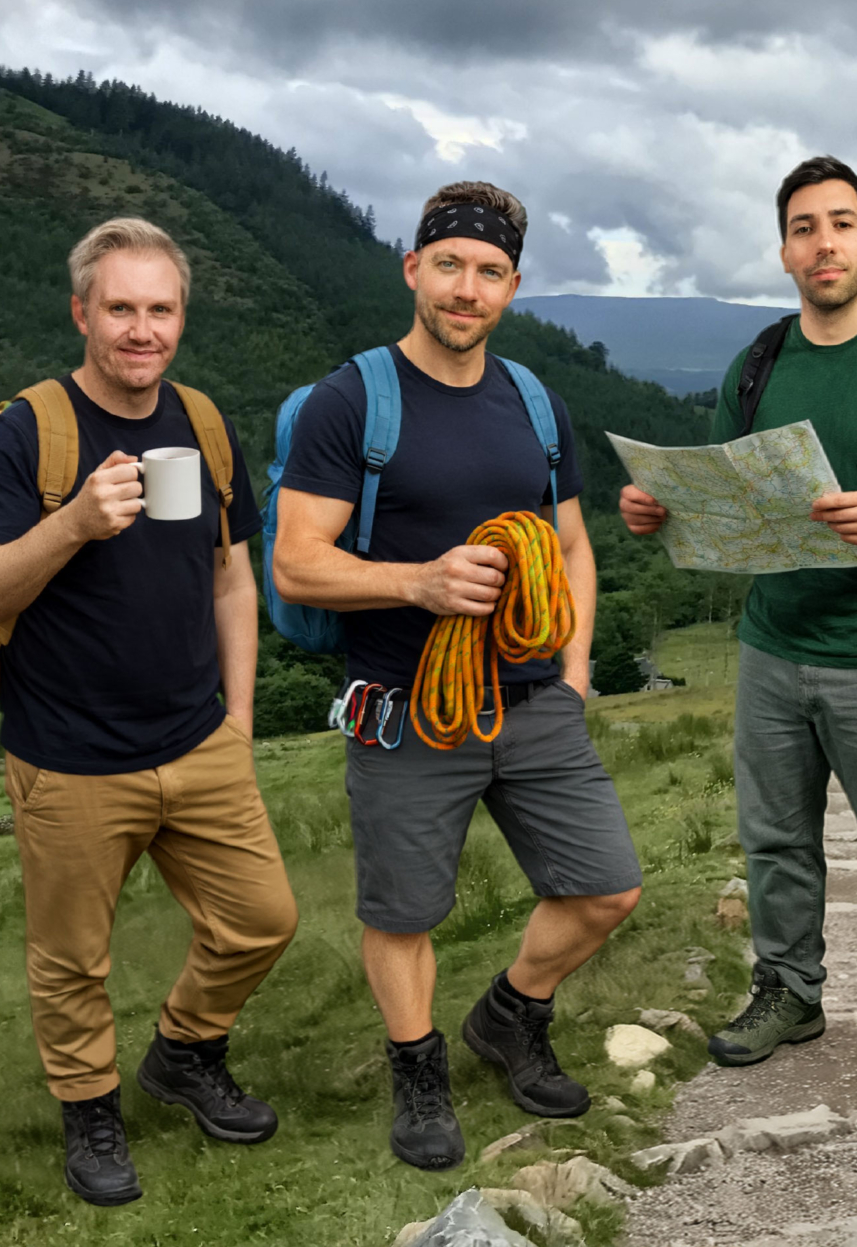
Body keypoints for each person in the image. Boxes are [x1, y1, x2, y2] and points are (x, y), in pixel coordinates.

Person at [272, 182, 640, 1171]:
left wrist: (574, 672)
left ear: (511, 287)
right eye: (448, 266)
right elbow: (296, 562)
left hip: (534, 699)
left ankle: (510, 1015)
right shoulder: (354, 401)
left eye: (488, 272)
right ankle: (418, 1072)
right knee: (403, 916)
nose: (465, 289)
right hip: (408, 710)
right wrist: (417, 582)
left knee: (606, 889)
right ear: (413, 269)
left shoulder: (534, 402)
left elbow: (571, 545)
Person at [618, 156, 857, 1097]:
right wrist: (659, 510)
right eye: (803, 228)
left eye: (840, 224)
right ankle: (788, 990)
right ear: (784, 251)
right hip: (772, 646)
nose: (822, 243)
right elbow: (726, 499)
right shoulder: (757, 365)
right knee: (775, 843)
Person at [0, 217, 295, 1207]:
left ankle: (184, 1052)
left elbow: (232, 577)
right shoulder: (30, 432)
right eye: (120, 309)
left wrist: (238, 718)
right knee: (73, 962)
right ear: (81, 314)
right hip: (68, 755)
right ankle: (90, 1113)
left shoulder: (203, 420)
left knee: (262, 920)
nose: (142, 330)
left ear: (181, 317)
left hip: (198, 739)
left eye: (160, 309)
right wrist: (72, 522)